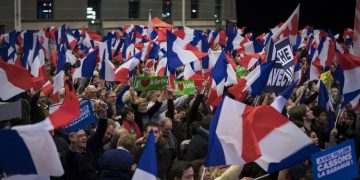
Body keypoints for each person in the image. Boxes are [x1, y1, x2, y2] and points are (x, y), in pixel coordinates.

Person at [64, 100, 108, 180]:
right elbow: (70, 156)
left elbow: (100, 132)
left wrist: (104, 115)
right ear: (72, 139)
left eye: (84, 135)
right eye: (80, 136)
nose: (84, 138)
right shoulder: (71, 156)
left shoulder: (89, 145)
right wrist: (73, 145)